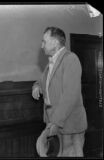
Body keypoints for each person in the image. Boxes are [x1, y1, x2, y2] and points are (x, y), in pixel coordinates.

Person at [32, 27, 88, 157]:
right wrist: (36, 87)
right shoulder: (50, 63)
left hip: (69, 125)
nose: (41, 46)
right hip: (55, 124)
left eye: (44, 41)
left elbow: (70, 96)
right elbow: (40, 81)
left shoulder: (70, 59)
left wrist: (55, 123)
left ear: (55, 43)